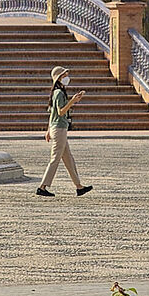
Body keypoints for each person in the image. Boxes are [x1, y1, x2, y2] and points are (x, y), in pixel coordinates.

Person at [37, 65, 92, 197]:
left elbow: (52, 114)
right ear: (59, 78)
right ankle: (42, 187)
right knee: (55, 158)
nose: (67, 78)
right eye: (64, 76)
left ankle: (79, 186)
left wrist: (48, 130)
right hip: (59, 129)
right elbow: (61, 112)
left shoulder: (57, 92)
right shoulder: (59, 93)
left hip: (58, 128)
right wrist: (72, 101)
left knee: (68, 159)